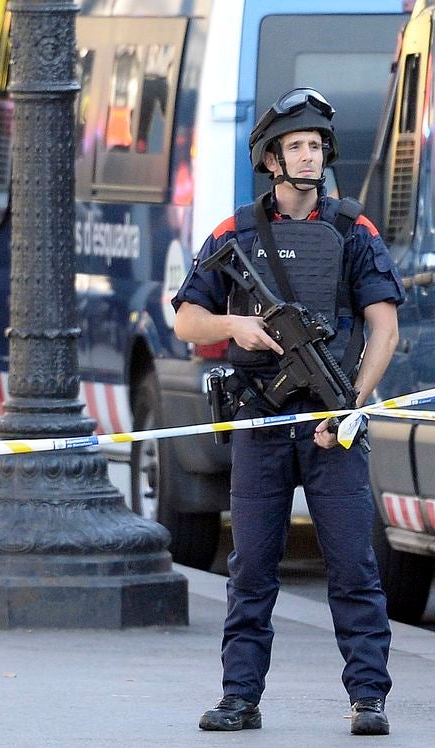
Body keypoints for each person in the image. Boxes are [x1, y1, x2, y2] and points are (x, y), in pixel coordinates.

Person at [172, 88, 404, 736]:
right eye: (295, 146)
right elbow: (187, 319)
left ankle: (368, 698)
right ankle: (240, 698)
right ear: (272, 159)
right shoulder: (235, 232)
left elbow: (383, 329)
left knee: (355, 564)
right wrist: (237, 326)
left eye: (315, 146)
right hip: (261, 420)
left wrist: (353, 406)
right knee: (250, 567)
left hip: (335, 426)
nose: (308, 156)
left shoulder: (352, 228)